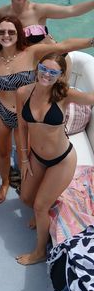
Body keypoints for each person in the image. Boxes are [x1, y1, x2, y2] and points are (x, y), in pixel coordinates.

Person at [0, 16, 94, 204]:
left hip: (27, 114)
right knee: (2, 152)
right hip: (0, 110)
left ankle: (26, 184)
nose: (6, 35)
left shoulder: (32, 52)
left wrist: (91, 41)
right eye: (2, 32)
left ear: (19, 34)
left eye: (11, 32)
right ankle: (5, 183)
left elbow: (64, 47)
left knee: (27, 155)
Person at [15, 53, 94, 265]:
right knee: (25, 199)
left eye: (53, 72)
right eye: (44, 69)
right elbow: (22, 126)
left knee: (40, 207)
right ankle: (45, 211)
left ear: (60, 75)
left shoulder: (63, 95)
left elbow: (91, 98)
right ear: (37, 67)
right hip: (37, 158)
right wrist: (23, 157)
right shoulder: (23, 92)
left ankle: (39, 251)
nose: (46, 75)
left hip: (62, 160)